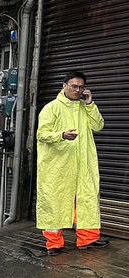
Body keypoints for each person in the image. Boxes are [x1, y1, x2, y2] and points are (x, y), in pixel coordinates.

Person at [36, 70, 107, 256]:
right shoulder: (51, 108)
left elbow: (98, 125)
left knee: (85, 200)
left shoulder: (85, 107)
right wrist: (61, 135)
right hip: (58, 167)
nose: (78, 90)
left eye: (81, 87)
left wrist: (90, 104)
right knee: (54, 203)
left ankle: (88, 238)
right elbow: (41, 134)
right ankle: (53, 243)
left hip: (83, 165)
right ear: (64, 85)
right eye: (74, 86)